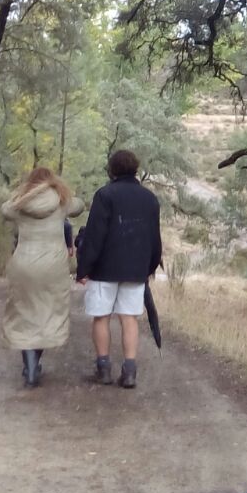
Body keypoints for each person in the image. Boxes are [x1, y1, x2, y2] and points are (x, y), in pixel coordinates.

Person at [75, 149, 162, 389]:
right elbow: (154, 238)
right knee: (129, 318)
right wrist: (150, 266)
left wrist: (83, 269)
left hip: (104, 269)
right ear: (135, 169)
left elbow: (95, 236)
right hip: (135, 269)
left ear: (111, 170)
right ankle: (129, 372)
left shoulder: (105, 195)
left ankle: (103, 369)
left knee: (101, 317)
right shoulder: (149, 199)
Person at [1, 166, 84, 387]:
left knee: (24, 312)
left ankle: (29, 368)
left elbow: (4, 209)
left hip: (24, 264)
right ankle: (34, 363)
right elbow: (79, 206)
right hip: (53, 266)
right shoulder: (62, 201)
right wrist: (60, 189)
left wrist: (22, 194)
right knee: (47, 313)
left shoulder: (20, 204)